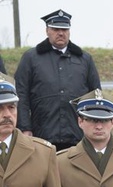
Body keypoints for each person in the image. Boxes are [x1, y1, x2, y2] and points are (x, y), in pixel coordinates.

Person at [14, 9, 101, 151]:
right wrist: (24, 127)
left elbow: (96, 96)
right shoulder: (31, 58)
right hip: (41, 134)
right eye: (56, 29)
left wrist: (94, 128)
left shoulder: (85, 59)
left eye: (65, 29)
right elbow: (20, 95)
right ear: (47, 30)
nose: (61, 33)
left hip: (77, 135)